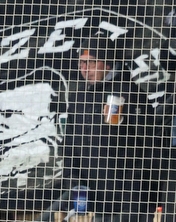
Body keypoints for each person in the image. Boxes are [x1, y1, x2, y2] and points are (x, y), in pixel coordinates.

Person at [42, 40, 168, 221]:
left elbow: (150, 147)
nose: (85, 68)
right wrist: (74, 180)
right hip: (94, 196)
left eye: (92, 62)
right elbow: (69, 145)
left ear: (108, 63)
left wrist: (122, 124)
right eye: (82, 62)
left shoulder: (130, 94)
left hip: (129, 198)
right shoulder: (79, 98)